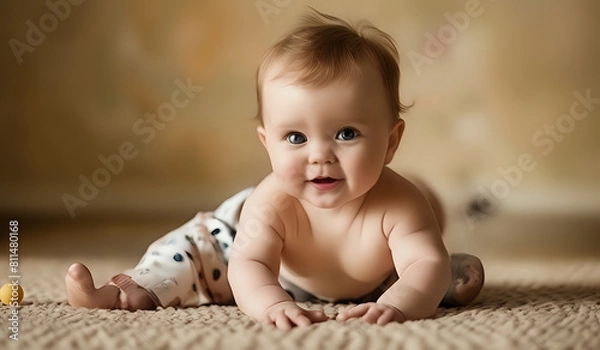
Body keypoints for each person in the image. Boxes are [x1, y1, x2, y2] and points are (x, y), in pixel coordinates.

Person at [65, 9, 484, 329]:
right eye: (296, 138)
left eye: (346, 134)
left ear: (391, 142)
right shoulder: (272, 202)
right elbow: (249, 267)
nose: (320, 156)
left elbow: (421, 264)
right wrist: (272, 303)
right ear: (268, 143)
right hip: (265, 260)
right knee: (197, 250)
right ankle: (130, 291)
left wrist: (400, 302)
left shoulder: (399, 203)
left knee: (421, 270)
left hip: (371, 278)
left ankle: (443, 277)